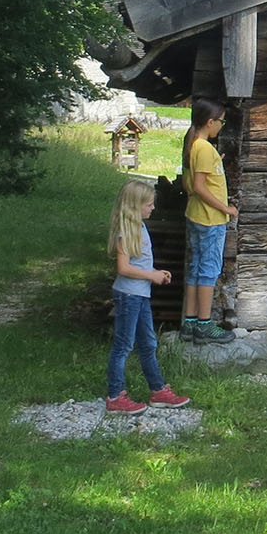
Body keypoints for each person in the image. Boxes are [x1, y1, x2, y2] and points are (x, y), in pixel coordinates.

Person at [104, 177, 190, 414]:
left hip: (139, 295)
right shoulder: (126, 231)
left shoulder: (140, 227)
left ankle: (158, 390)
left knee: (148, 343)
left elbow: (138, 263)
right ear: (134, 205)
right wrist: (151, 276)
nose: (153, 208)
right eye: (149, 204)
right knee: (123, 345)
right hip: (129, 296)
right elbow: (123, 268)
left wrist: (155, 272)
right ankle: (115, 396)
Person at [183, 99, 237, 343]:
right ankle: (204, 325)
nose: (221, 126)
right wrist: (226, 208)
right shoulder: (204, 148)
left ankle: (190, 322)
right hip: (210, 219)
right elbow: (199, 187)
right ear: (209, 122)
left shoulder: (195, 145)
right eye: (221, 121)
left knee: (196, 268)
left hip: (196, 216)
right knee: (208, 271)